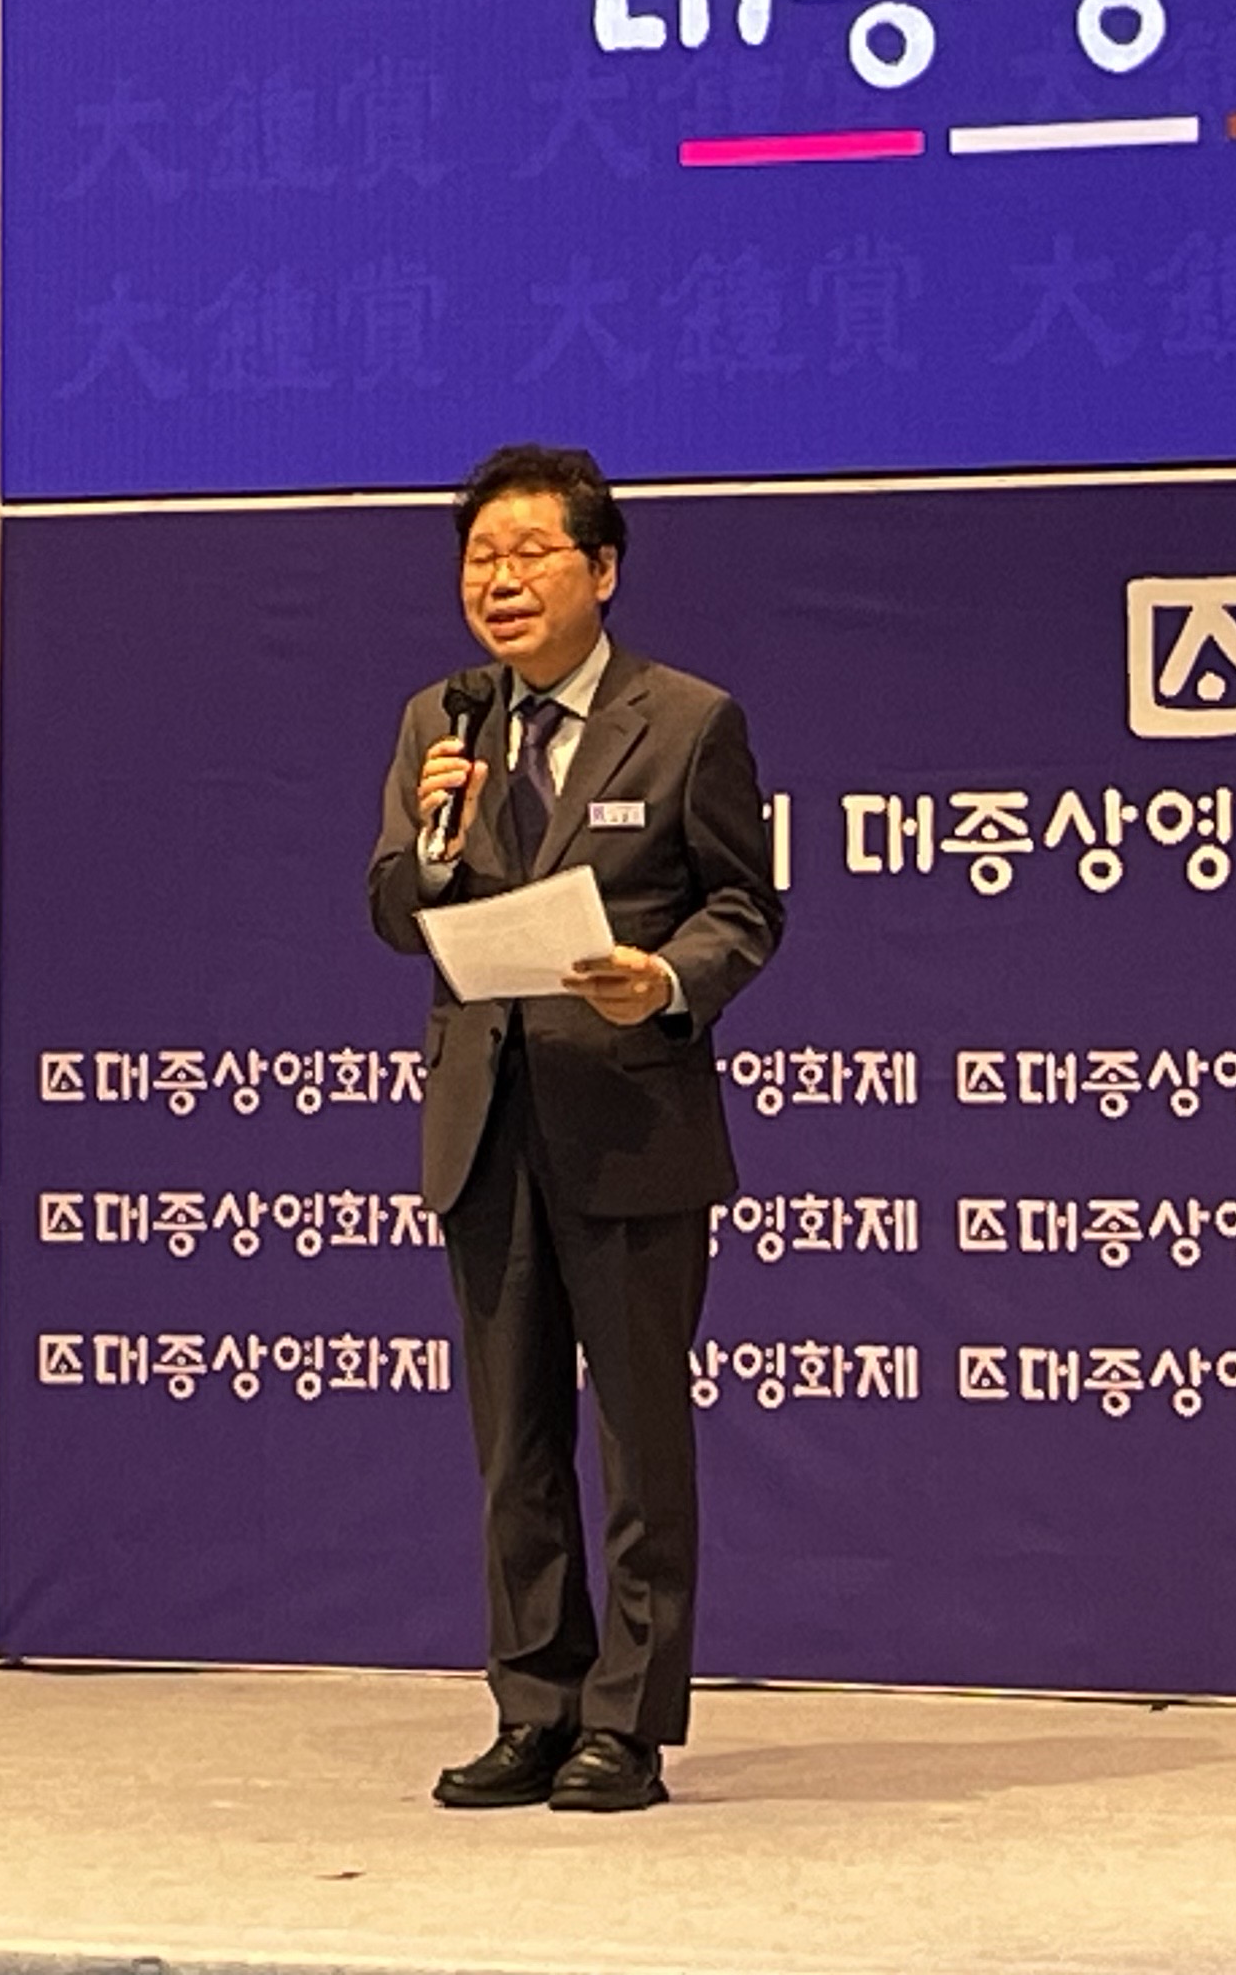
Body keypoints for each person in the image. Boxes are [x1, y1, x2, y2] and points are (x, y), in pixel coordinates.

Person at [363, 444, 784, 1814]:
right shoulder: (441, 722)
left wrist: (665, 979)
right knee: (515, 1444)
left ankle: (628, 1726)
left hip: (629, 1120)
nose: (500, 580)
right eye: (480, 557)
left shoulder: (687, 720)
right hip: (486, 1125)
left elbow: (745, 907)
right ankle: (534, 1707)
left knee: (641, 1443)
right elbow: (392, 907)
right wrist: (436, 846)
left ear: (602, 570)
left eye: (530, 553)